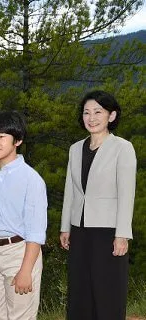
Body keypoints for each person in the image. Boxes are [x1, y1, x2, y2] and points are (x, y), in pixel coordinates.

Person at [60, 90, 136, 320]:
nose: (91, 118)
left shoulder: (123, 148)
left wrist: (122, 234)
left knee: (107, 290)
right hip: (80, 230)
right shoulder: (75, 148)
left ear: (111, 116)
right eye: (86, 112)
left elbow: (126, 193)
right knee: (80, 289)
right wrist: (66, 227)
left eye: (98, 112)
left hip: (108, 231)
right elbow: (70, 191)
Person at [0, 110, 47, 320]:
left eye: (1, 136)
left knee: (20, 316)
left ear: (18, 140)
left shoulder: (31, 180)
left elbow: (35, 232)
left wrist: (26, 270)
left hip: (19, 253)